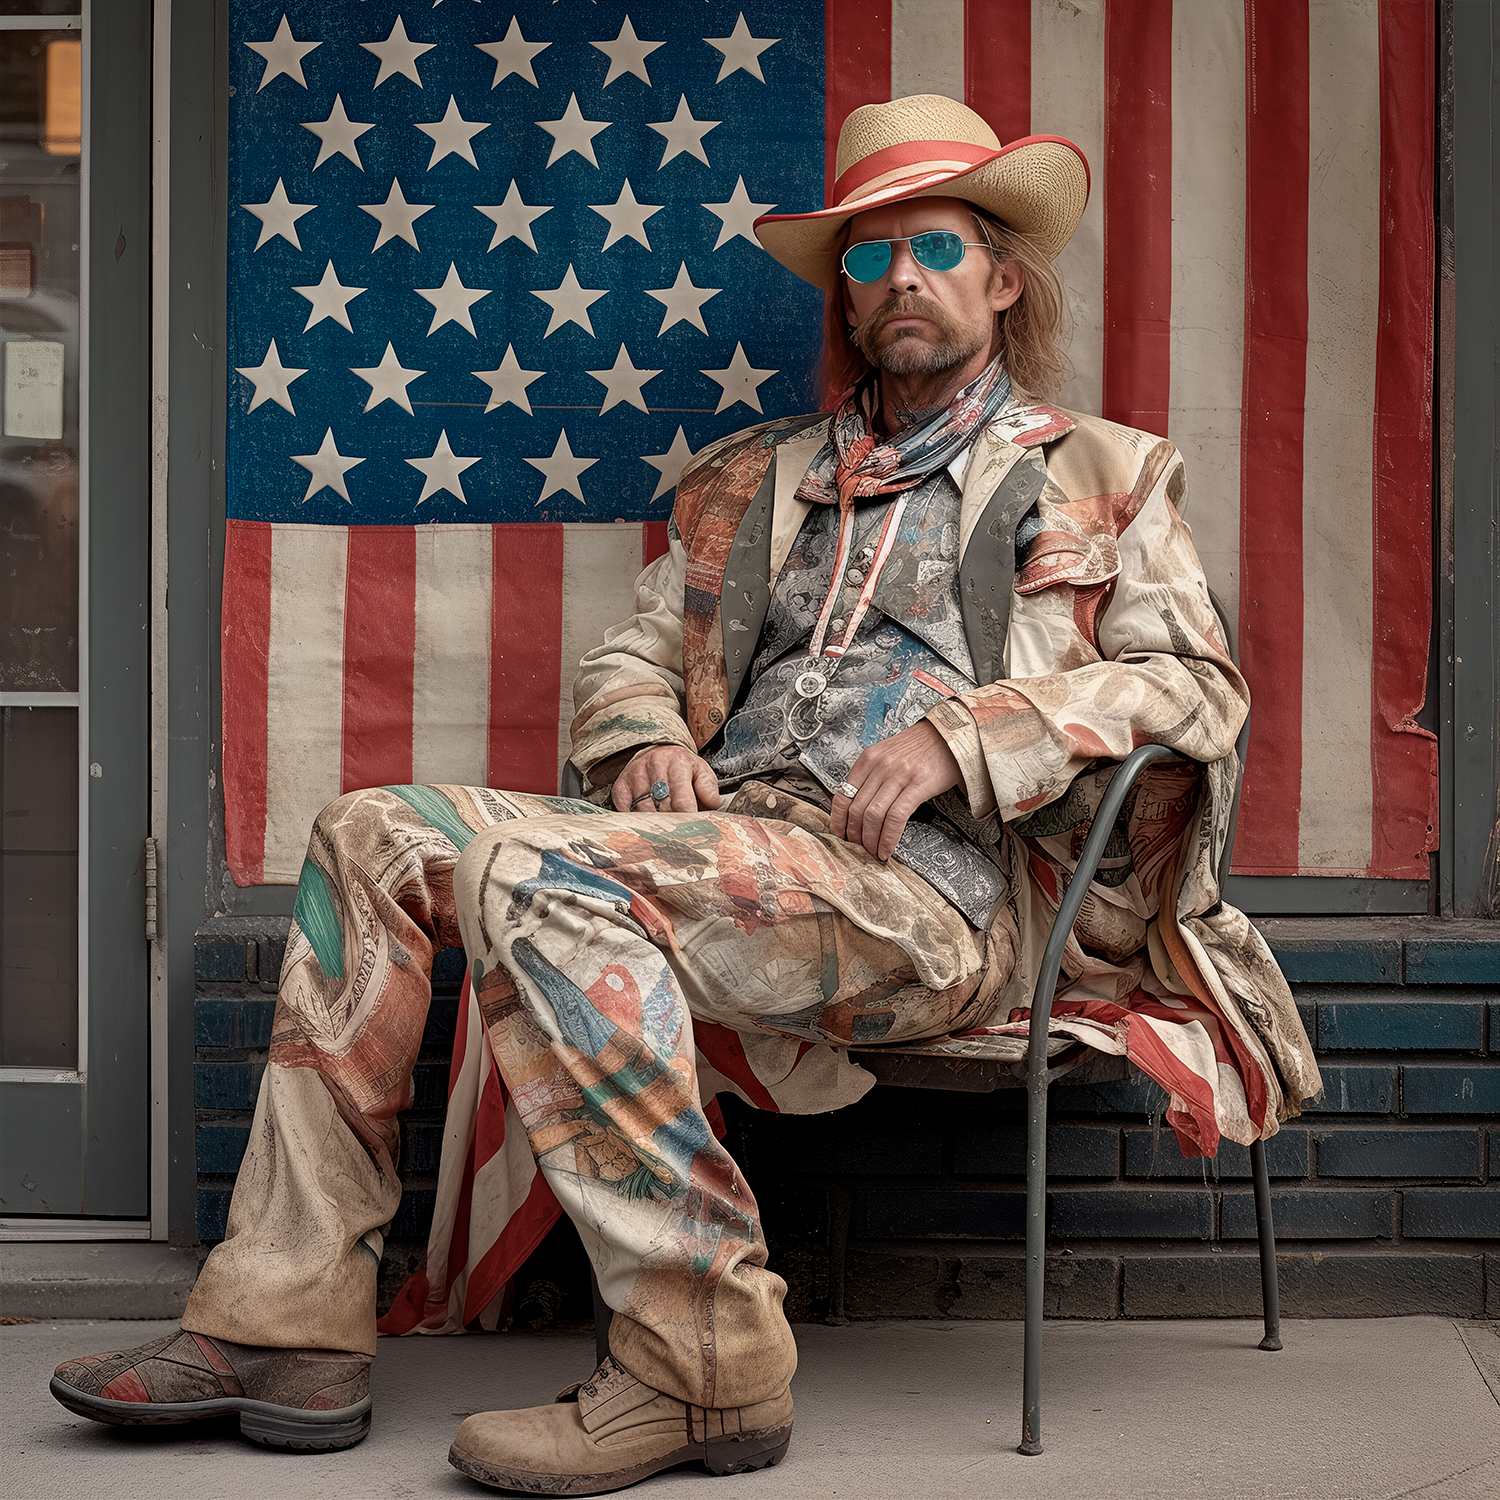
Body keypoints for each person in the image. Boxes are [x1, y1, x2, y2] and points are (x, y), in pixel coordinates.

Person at [49, 94, 1320, 1495]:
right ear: (843, 288)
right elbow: (628, 654)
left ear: (1003, 279)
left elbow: (1195, 687)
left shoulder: (1107, 472)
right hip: (718, 849)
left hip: (935, 903)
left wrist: (979, 734)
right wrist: (640, 733)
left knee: (543, 879)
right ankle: (286, 1326)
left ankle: (701, 1357)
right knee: (370, 836)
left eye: (938, 249)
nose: (901, 278)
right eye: (868, 255)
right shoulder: (754, 482)